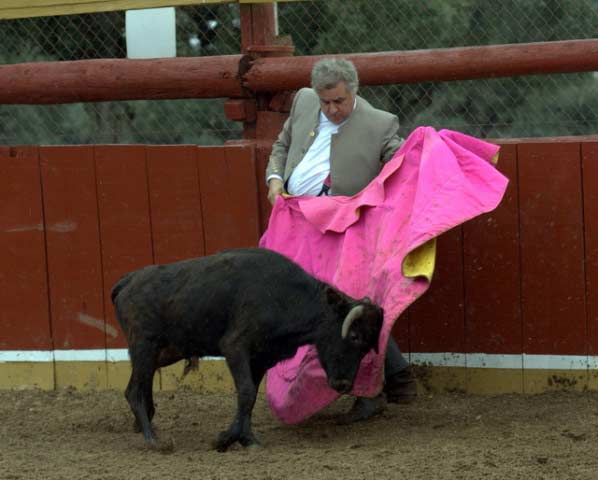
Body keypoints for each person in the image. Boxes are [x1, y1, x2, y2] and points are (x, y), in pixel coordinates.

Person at [265, 58, 417, 422]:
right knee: (325, 305)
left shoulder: (380, 123)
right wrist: (274, 179)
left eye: (339, 102)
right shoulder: (304, 101)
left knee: (345, 307)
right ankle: (397, 378)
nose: (332, 109)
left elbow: (401, 166)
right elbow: (282, 145)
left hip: (346, 228)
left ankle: (375, 387)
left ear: (355, 92)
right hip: (296, 222)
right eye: (326, 102)